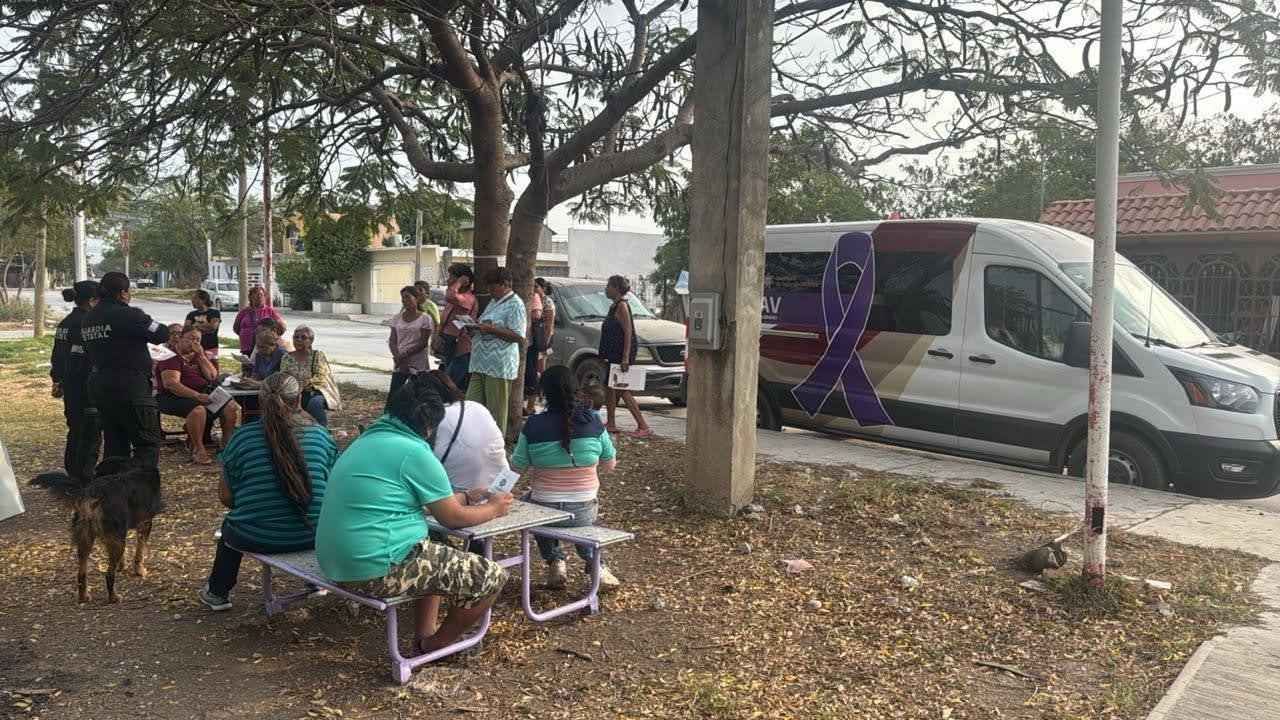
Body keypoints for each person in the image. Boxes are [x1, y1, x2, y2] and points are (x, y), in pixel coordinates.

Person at [315, 375, 514, 654]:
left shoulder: (366, 440)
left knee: (437, 545)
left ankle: (425, 634)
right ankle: (435, 645)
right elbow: (452, 518)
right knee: (490, 578)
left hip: (336, 561)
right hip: (375, 568)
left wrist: (468, 497)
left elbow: (420, 503)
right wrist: (494, 508)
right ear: (430, 428)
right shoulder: (415, 452)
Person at [200, 373, 337, 611]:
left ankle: (217, 592)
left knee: (231, 528)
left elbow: (225, 497)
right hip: (314, 534)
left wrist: (258, 505)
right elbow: (333, 489)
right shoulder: (320, 436)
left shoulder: (242, 438)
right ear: (298, 400)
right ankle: (315, 581)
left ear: (261, 401)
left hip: (255, 535)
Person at [511, 366, 621, 590]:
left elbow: (516, 468)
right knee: (580, 518)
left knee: (529, 502)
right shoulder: (593, 421)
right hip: (584, 508)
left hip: (544, 510)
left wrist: (492, 489)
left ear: (544, 393)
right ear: (575, 389)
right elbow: (609, 464)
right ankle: (596, 565)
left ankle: (556, 561)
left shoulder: (533, 425)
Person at [81, 272, 170, 469]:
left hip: (101, 385)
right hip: (131, 387)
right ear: (123, 293)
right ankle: (143, 486)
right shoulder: (129, 315)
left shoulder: (89, 318)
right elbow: (161, 333)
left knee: (115, 444)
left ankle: (112, 485)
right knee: (146, 443)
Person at [156, 327, 240, 464]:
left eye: (198, 340)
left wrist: (201, 357)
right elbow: (171, 384)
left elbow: (212, 376)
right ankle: (198, 450)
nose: (194, 343)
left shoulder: (198, 355)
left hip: (202, 392)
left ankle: (226, 445)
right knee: (198, 410)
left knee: (229, 405)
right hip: (173, 396)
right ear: (180, 338)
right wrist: (196, 395)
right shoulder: (170, 357)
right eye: (191, 338)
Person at [50, 280, 102, 480]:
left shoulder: (66, 322)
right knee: (89, 432)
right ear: (92, 301)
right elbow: (80, 358)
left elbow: (57, 356)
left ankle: (74, 473)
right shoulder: (86, 324)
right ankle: (83, 477)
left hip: (70, 385)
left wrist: (57, 380)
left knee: (76, 430)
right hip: (84, 385)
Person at [465, 268, 526, 436]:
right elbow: (486, 323)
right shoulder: (494, 302)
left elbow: (519, 336)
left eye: (493, 288)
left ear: (505, 284)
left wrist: (491, 329)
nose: (490, 292)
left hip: (498, 366)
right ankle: (473, 440)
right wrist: (474, 328)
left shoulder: (516, 305)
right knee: (471, 405)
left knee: (495, 411)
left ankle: (497, 444)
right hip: (480, 363)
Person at [599, 275, 652, 438]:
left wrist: (625, 357)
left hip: (620, 353)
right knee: (609, 387)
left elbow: (628, 332)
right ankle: (611, 422)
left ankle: (643, 425)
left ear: (616, 288)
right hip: (611, 352)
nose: (606, 289)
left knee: (621, 388)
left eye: (608, 286)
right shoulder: (613, 306)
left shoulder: (622, 306)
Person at [281, 325, 341, 426]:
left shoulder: (317, 355)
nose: (299, 340)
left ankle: (321, 430)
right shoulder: (287, 358)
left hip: (316, 392)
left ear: (311, 341)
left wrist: (303, 384)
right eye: (296, 337)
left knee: (315, 404)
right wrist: (294, 387)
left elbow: (321, 377)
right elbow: (284, 377)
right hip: (294, 392)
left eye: (304, 337)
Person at [388, 285, 434, 409]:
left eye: (407, 297)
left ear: (416, 299)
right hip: (400, 362)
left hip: (418, 363)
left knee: (418, 395)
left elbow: (423, 343)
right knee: (394, 394)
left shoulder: (425, 319)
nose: (404, 301)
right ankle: (389, 416)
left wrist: (405, 355)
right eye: (402, 298)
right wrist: (398, 357)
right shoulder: (397, 318)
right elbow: (392, 341)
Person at [437, 264, 476, 390]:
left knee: (448, 387)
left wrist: (459, 282)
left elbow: (450, 296)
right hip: (449, 347)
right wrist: (437, 336)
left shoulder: (467, 298)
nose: (448, 280)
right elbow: (443, 321)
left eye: (452, 277)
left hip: (461, 350)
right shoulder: (454, 300)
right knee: (443, 384)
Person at [524, 278, 555, 416]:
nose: (534, 289)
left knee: (539, 370)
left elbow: (549, 326)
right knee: (533, 370)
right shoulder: (531, 298)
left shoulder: (547, 303)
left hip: (541, 341)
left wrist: (544, 346)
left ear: (543, 288)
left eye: (536, 286)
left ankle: (539, 398)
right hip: (534, 340)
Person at [232, 285, 282, 354]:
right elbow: (236, 328)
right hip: (246, 346)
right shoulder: (244, 312)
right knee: (247, 361)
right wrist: (245, 334)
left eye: (262, 295)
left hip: (264, 346)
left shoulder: (269, 311)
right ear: (251, 297)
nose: (259, 296)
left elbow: (281, 325)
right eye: (257, 294)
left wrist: (273, 337)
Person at [185, 290, 222, 359]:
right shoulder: (191, 314)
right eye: (192, 299)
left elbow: (213, 327)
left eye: (195, 298)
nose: (192, 301)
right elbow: (186, 329)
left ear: (204, 300)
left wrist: (196, 325)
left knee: (211, 364)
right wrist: (205, 326)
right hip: (193, 347)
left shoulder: (214, 313)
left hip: (210, 347)